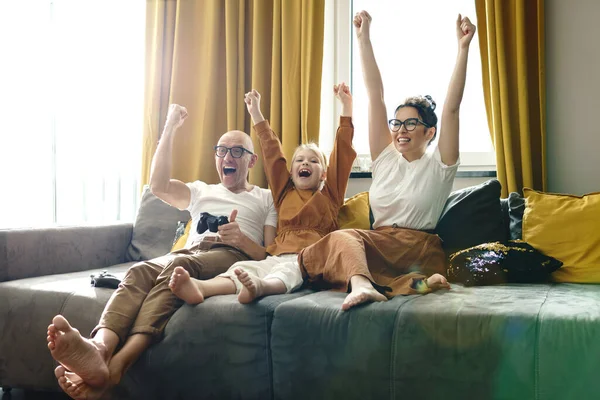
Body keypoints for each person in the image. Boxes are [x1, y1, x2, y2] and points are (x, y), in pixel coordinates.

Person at [46, 104, 278, 399]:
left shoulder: (265, 198)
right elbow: (158, 185)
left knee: (176, 269)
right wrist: (169, 127)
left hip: (230, 254)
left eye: (237, 152)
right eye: (221, 150)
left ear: (252, 160)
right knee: (139, 270)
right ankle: (100, 348)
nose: (227, 157)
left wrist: (242, 240)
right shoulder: (200, 191)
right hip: (191, 251)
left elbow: (268, 255)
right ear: (215, 157)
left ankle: (117, 366)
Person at [298, 11, 477, 310]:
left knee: (344, 241)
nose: (400, 131)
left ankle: (383, 283)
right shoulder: (385, 158)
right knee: (324, 249)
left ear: (429, 132)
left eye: (411, 124)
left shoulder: (439, 165)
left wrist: (463, 48)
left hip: (416, 248)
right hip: (378, 245)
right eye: (397, 123)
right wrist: (363, 38)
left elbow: (452, 110)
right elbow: (375, 95)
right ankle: (380, 284)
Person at [169, 84, 356, 304]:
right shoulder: (283, 193)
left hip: (311, 259)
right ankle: (201, 287)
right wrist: (255, 112)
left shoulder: (330, 196)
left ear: (324, 174)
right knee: (245, 267)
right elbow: (271, 152)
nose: (305, 162)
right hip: (277, 255)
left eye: (313, 161)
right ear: (291, 172)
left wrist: (346, 108)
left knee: (290, 270)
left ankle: (262, 287)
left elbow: (342, 154)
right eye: (299, 160)